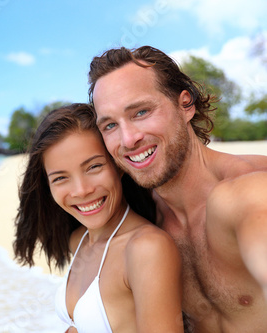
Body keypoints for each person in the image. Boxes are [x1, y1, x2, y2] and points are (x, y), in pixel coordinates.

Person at [88, 45, 267, 332]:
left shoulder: (250, 189)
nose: (128, 139)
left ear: (186, 104)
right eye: (109, 125)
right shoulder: (140, 218)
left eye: (141, 111)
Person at [14, 103, 183, 332]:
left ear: (119, 165)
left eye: (93, 167)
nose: (81, 190)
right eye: (60, 178)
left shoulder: (146, 249)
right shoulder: (79, 240)